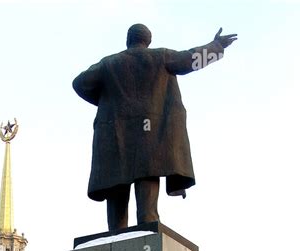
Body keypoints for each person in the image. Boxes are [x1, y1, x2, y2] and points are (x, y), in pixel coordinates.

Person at [73, 24, 237, 231]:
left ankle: (116, 232)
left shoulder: (108, 64)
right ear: (148, 41)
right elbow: (190, 59)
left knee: (115, 181)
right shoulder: (161, 57)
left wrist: (107, 101)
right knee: (147, 175)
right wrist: (216, 47)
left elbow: (79, 83)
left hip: (115, 133)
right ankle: (147, 225)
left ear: (128, 40)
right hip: (149, 134)